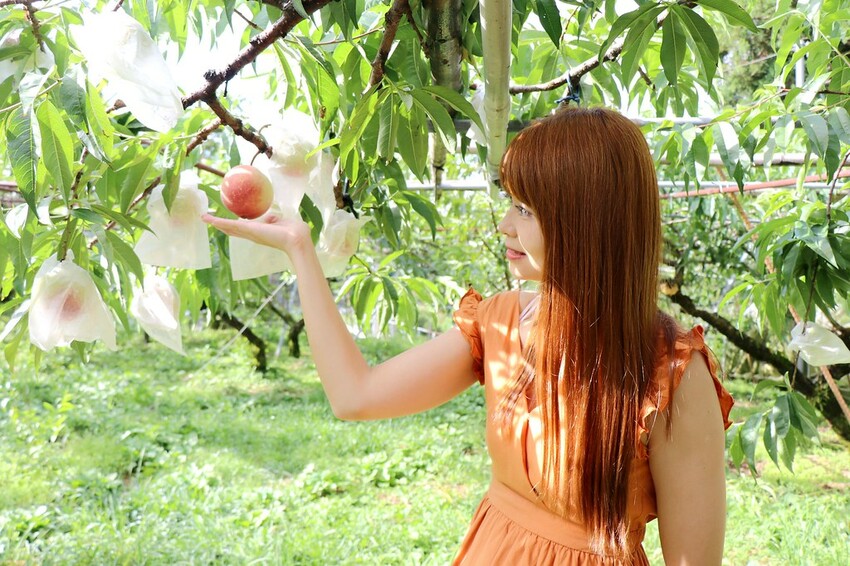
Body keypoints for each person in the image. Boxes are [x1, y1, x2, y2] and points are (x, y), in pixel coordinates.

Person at [202, 106, 734, 565]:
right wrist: (300, 249)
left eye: (525, 209)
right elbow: (355, 395)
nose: (505, 225)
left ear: (586, 222)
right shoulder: (500, 323)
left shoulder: (671, 376)